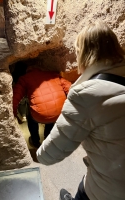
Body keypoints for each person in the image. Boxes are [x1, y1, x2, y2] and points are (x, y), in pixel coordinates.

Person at [36, 21, 125, 200]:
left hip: (110, 190)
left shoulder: (85, 95)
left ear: (84, 53)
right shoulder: (59, 80)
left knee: (84, 191)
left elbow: (48, 155)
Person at [13, 65, 71, 148]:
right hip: (58, 113)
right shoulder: (53, 74)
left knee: (30, 114)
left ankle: (35, 140)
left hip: (39, 115)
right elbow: (71, 89)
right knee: (51, 114)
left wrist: (14, 115)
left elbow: (14, 98)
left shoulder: (24, 79)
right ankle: (48, 139)